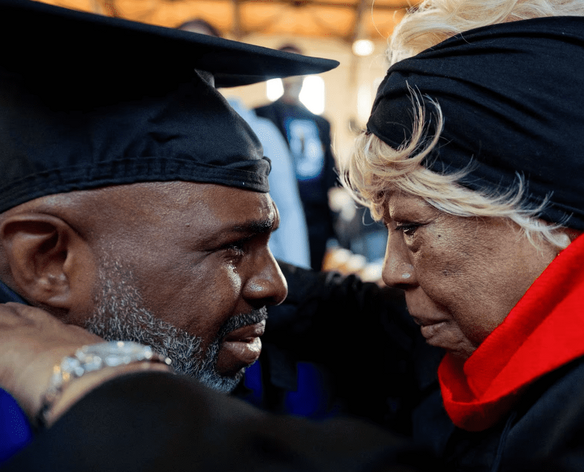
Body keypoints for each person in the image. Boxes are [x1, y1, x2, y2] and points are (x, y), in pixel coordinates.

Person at [254, 0, 584, 469]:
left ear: (540, 207)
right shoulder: (487, 315)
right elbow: (355, 313)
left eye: (411, 226)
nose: (393, 272)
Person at [0, 1, 437, 470]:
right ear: (48, 261)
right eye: (232, 248)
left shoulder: (280, 364)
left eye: (264, 240)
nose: (278, 286)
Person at [178, 18, 312, 268]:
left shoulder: (258, 132)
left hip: (251, 271)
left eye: (203, 50)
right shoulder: (151, 135)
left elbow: (288, 210)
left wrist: (296, 278)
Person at [254, 45, 338, 271]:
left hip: (316, 215)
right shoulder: (261, 115)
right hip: (278, 211)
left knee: (314, 273)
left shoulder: (321, 122)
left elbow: (329, 169)